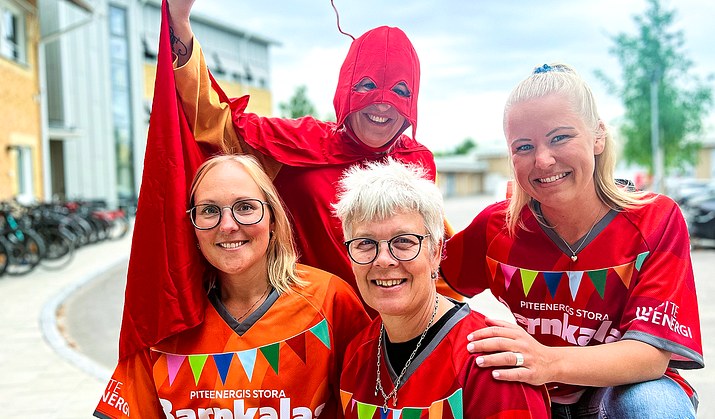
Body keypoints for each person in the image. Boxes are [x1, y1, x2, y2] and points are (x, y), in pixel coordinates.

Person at [440, 63, 704, 418]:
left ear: (597, 136)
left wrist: (546, 360)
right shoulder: (497, 227)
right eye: (524, 146)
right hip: (537, 395)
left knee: (651, 405)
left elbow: (650, 356)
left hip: (621, 391)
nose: (543, 160)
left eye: (560, 137)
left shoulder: (655, 219)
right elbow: (431, 286)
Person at [166, 0, 460, 317]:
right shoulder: (297, 144)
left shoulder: (417, 161)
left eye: (400, 91)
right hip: (315, 325)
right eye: (367, 86)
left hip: (399, 328)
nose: (383, 105)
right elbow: (215, 123)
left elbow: (434, 251)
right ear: (347, 88)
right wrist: (179, 22)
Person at [94, 155, 370, 419]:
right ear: (191, 225)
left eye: (245, 207)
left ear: (272, 218)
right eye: (210, 210)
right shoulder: (165, 315)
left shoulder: (329, 299)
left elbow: (372, 402)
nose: (227, 225)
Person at [333, 159, 550, 419]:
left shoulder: (491, 363)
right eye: (365, 243)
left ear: (436, 252)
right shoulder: (357, 354)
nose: (383, 259)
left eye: (403, 241)